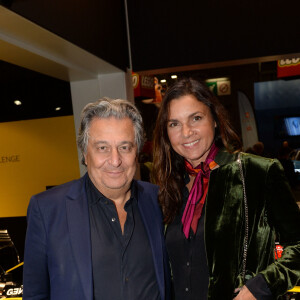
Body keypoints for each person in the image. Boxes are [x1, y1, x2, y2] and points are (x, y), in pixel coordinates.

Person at [152, 78, 300, 300]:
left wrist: (260, 287)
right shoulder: (167, 187)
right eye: (174, 123)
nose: (186, 132)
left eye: (196, 118)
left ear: (213, 119)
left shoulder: (257, 173)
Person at [23, 98, 170, 300]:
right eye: (102, 148)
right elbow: (35, 294)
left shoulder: (159, 199)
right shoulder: (47, 209)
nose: (115, 160)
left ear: (137, 151)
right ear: (85, 153)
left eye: (125, 147)